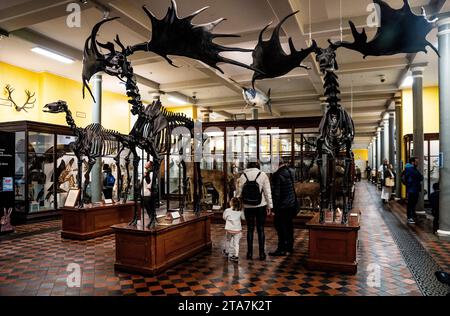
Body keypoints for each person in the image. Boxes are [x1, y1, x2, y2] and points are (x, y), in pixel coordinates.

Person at [236, 161, 273, 261]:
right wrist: (269, 206)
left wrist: (239, 206)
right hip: (261, 205)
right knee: (260, 229)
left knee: (250, 229)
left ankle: (249, 253)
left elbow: (239, 193)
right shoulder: (263, 175)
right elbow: (267, 192)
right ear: (258, 165)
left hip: (248, 206)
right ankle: (261, 254)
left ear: (248, 166)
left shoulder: (243, 176)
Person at [269, 157, 297, 256]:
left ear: (276, 164)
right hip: (291, 204)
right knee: (289, 226)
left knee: (280, 228)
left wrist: (273, 209)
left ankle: (281, 249)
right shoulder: (290, 171)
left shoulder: (277, 175)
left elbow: (276, 194)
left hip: (282, 206)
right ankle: (289, 247)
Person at [222, 197, 245, 262]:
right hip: (237, 230)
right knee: (236, 243)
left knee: (228, 240)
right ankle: (236, 255)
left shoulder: (227, 210)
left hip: (229, 229)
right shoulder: (240, 211)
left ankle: (226, 252)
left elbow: (224, 217)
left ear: (231, 203)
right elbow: (243, 218)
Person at [402, 157, 424, 224]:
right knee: (411, 204)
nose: (417, 163)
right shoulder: (410, 169)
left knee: (413, 203)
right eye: (416, 162)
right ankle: (410, 217)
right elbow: (420, 177)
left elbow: (420, 177)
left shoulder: (412, 169)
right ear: (412, 162)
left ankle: (413, 216)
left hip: (414, 188)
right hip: (412, 189)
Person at [142, 161, 154, 226]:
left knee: (149, 205)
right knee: (146, 205)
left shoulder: (151, 173)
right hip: (145, 191)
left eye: (147, 163)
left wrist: (150, 187)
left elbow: (152, 181)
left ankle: (151, 218)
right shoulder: (147, 172)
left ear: (150, 165)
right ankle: (151, 217)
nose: (145, 163)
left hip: (148, 192)